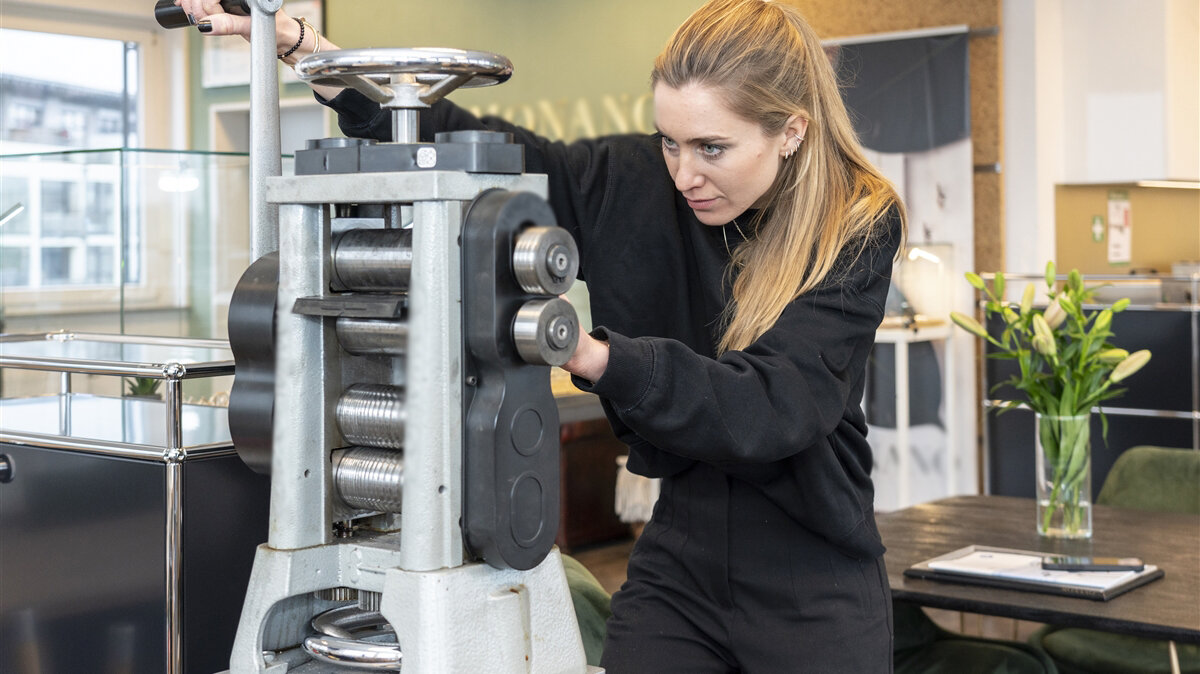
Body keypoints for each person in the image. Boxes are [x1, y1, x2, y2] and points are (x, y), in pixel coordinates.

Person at [183, 0, 906, 670]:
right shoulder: (637, 181)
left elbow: (774, 406)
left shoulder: (855, 224)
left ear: (792, 132)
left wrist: (594, 355)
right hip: (680, 557)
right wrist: (311, 52)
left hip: (813, 579)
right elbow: (497, 156)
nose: (686, 174)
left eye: (712, 148)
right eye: (670, 143)